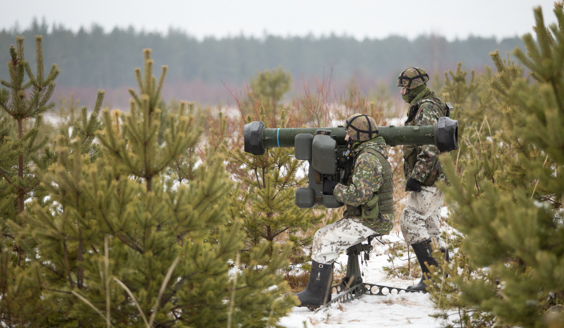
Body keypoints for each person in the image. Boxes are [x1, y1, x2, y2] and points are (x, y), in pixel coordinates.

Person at [295, 113, 394, 308]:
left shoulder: (367, 158)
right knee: (322, 236)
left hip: (372, 220)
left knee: (325, 238)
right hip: (369, 216)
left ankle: (316, 296)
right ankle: (318, 292)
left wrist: (336, 188)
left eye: (349, 134)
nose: (346, 138)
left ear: (359, 136)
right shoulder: (368, 153)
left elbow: (359, 196)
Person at [397, 67, 449, 292]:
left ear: (414, 86)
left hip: (428, 178)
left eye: (405, 87)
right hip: (436, 177)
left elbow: (429, 145)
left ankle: (431, 279)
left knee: (410, 221)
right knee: (431, 227)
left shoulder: (426, 107)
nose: (402, 92)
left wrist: (416, 177)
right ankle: (444, 276)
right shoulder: (430, 103)